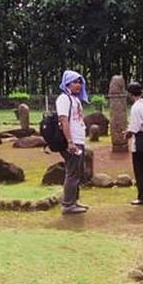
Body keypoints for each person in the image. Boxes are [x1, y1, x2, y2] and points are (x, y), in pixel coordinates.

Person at [57, 70, 89, 214]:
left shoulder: (75, 99)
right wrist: (70, 142)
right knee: (72, 173)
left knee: (77, 172)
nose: (78, 85)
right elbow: (63, 120)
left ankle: (74, 201)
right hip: (71, 141)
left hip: (78, 140)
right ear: (67, 84)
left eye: (80, 82)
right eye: (75, 82)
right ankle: (68, 204)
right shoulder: (64, 99)